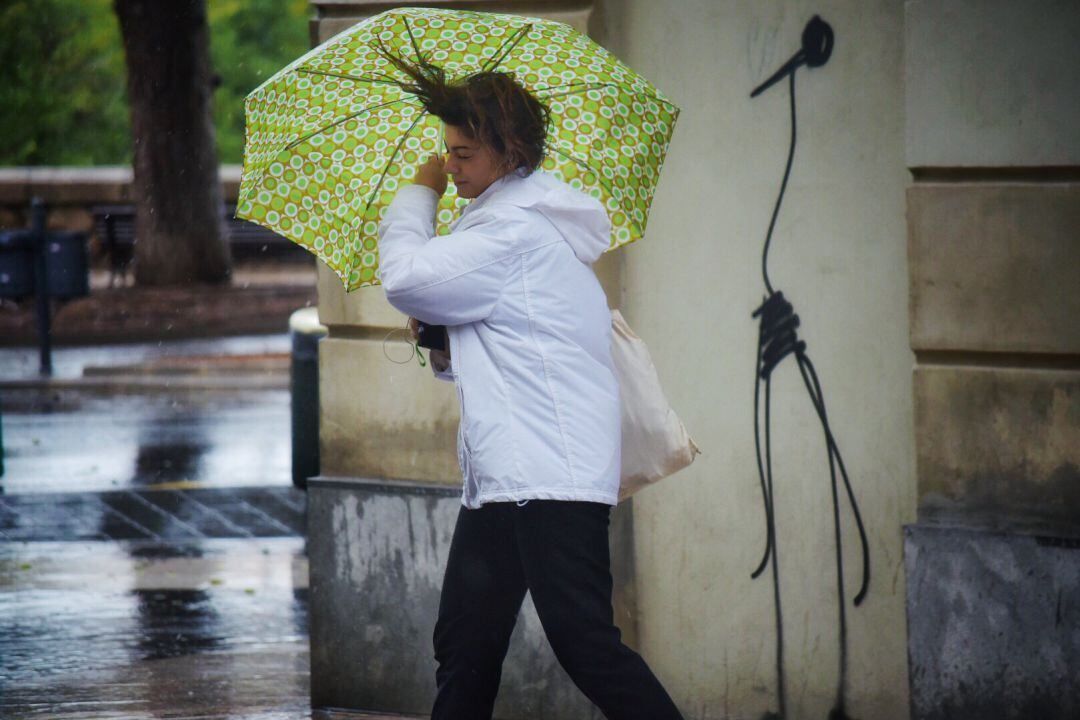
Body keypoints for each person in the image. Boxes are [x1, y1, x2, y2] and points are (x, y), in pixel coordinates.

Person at [376, 52, 684, 720]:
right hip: (507, 476)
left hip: (547, 475)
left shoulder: (511, 231)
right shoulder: (510, 227)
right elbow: (503, 345)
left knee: (586, 646)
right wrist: (439, 332)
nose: (451, 165)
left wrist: (418, 190)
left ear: (509, 154)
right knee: (466, 642)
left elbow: (403, 274)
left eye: (463, 155)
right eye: (445, 154)